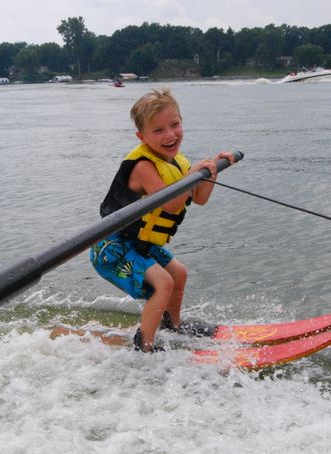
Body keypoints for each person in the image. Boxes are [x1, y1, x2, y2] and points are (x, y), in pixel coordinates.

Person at [90, 88, 236, 352]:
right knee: (164, 282)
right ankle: (144, 346)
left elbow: (199, 198)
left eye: (174, 125)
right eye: (158, 130)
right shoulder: (143, 167)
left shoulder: (177, 163)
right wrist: (191, 175)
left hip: (138, 243)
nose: (170, 135)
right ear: (142, 137)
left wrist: (212, 169)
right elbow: (171, 204)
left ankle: (172, 327)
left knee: (178, 273)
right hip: (112, 247)